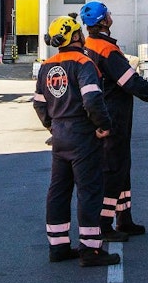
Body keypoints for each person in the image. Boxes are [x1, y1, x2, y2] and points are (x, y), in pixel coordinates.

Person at [80, 0, 148, 238]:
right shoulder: (107, 51)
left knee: (121, 169)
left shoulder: (90, 45)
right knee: (114, 169)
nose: (110, 16)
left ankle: (124, 218)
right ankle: (105, 225)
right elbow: (131, 82)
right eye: (108, 13)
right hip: (113, 117)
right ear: (104, 20)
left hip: (105, 114)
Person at [33, 14, 120, 267]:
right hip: (83, 136)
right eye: (79, 33)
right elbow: (92, 99)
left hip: (59, 137)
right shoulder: (84, 63)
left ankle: (58, 247)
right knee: (89, 191)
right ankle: (91, 250)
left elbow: (39, 104)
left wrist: (53, 126)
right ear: (74, 36)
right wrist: (103, 125)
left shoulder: (47, 66)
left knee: (58, 191)